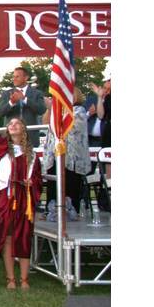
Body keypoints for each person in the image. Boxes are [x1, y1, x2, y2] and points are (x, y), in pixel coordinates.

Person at [0, 96, 43, 290]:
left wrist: (31, 182)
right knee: (7, 238)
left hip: (23, 200)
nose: (13, 125)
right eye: (10, 123)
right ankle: (10, 278)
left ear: (23, 129)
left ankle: (24, 278)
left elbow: (39, 182)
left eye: (17, 123)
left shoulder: (31, 156)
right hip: (4, 198)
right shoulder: (2, 148)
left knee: (23, 237)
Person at [42, 88, 90, 220]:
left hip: (71, 156)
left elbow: (68, 126)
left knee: (71, 182)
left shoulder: (79, 111)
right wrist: (50, 109)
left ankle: (71, 210)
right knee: (53, 182)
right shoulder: (56, 110)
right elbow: (45, 122)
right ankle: (50, 210)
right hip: (55, 153)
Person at [0, 65, 46, 145]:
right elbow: (1, 112)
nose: (14, 79)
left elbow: (41, 110)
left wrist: (25, 99)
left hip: (31, 136)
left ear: (26, 78)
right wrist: (11, 103)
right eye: (14, 76)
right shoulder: (6, 94)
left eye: (17, 77)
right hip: (11, 138)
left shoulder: (37, 93)